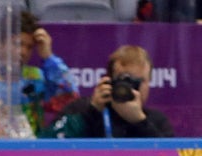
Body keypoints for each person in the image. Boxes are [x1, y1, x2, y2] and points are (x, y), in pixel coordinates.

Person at [0, 10, 78, 138]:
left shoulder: (35, 76)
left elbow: (69, 101)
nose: (24, 52)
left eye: (30, 47)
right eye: (18, 44)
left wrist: (49, 57)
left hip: (30, 151)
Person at [40, 45, 174, 139]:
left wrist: (139, 121)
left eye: (139, 81)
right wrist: (91, 112)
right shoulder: (80, 109)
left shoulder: (156, 120)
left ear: (149, 82)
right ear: (109, 79)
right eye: (125, 80)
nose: (132, 88)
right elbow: (50, 144)